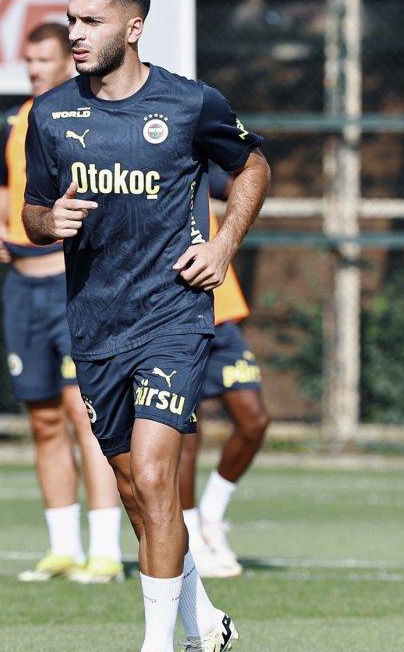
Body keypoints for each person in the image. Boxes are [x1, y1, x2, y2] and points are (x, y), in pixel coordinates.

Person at [21, 0, 270, 652]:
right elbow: (33, 213)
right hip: (95, 322)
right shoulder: (51, 114)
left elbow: (252, 165)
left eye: (91, 21)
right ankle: (204, 623)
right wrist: (49, 222)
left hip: (173, 316)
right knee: (135, 490)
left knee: (158, 476)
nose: (76, 34)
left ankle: (157, 645)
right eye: (72, 20)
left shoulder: (190, 104)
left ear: (133, 28)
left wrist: (223, 244)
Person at [0, 22, 125, 585]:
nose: (34, 69)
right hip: (21, 288)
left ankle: (106, 551)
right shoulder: (16, 120)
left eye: (43, 59)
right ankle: (62, 548)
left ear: (68, 61)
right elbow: (5, 186)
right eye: (28, 60)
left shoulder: (87, 117)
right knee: (43, 419)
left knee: (84, 416)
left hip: (72, 285)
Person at [179, 169, 270, 579]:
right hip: (173, 320)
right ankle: (191, 540)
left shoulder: (193, 157)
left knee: (254, 421)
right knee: (184, 436)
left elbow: (241, 182)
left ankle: (212, 516)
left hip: (220, 314)